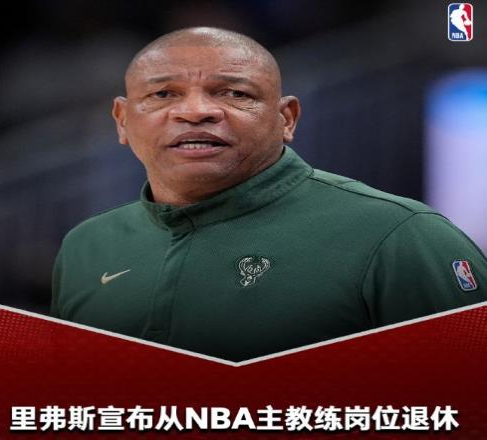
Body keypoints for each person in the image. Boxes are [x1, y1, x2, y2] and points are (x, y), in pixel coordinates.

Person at [51, 27, 487, 362]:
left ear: (287, 119)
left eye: (234, 93)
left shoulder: (401, 236)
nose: (196, 111)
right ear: (123, 120)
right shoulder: (86, 245)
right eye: (163, 94)